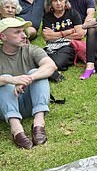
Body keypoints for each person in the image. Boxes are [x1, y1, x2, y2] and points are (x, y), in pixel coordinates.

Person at [0, 18, 56, 149]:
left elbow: (50, 66)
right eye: (17, 32)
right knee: (4, 79)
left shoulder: (31, 49)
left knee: (37, 72)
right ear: (3, 36)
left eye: (23, 31)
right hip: (4, 106)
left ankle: (39, 122)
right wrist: (12, 80)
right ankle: (16, 129)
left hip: (29, 102)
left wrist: (28, 78)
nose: (24, 35)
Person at [41, 0, 85, 81]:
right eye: (55, 1)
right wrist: (68, 32)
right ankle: (51, 73)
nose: (58, 3)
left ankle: (51, 73)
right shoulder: (47, 16)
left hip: (70, 45)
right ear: (50, 3)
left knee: (58, 62)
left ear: (65, 1)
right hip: (51, 46)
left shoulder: (73, 13)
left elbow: (80, 34)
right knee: (39, 58)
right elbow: (47, 36)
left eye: (61, 0)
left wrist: (55, 35)